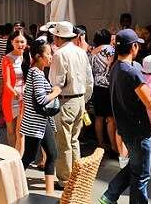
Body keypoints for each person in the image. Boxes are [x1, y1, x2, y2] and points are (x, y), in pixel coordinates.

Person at [99, 29, 151, 204]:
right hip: (138, 128)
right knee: (141, 174)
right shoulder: (131, 71)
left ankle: (110, 195)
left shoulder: (115, 68)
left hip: (125, 127)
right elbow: (150, 103)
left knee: (135, 166)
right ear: (134, 47)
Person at [48, 21, 93, 186]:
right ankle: (76, 175)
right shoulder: (81, 52)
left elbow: (55, 81)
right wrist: (85, 98)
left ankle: (66, 178)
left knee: (64, 142)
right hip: (79, 99)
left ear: (58, 36)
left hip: (65, 100)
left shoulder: (60, 54)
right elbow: (90, 79)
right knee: (74, 140)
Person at [20, 39, 61, 195]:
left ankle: (49, 192)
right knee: (31, 156)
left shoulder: (36, 72)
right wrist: (56, 92)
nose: (51, 57)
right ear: (38, 56)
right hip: (36, 123)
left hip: (39, 122)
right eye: (48, 53)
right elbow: (42, 100)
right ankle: (15, 184)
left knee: (50, 154)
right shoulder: (36, 73)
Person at [90, 29, 117, 154]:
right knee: (110, 118)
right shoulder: (111, 50)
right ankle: (113, 145)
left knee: (99, 117)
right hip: (109, 86)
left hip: (96, 86)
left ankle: (100, 144)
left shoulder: (92, 52)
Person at [1, 30, 30, 149]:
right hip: (10, 98)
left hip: (25, 98)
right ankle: (13, 155)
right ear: (11, 42)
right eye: (17, 41)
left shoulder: (28, 56)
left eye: (22, 41)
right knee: (11, 131)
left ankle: (20, 157)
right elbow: (7, 83)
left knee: (21, 131)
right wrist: (15, 94)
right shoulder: (7, 58)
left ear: (26, 42)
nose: (20, 44)